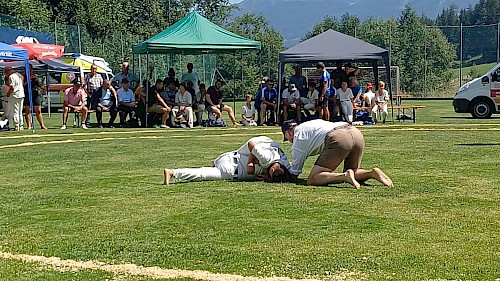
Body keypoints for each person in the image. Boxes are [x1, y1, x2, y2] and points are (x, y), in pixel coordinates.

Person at [282, 119, 393, 189]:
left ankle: (344, 176)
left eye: (286, 138)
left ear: (287, 133)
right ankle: (371, 173)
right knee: (354, 171)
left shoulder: (298, 138)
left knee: (313, 179)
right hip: (355, 132)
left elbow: (294, 173)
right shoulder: (309, 124)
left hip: (338, 137)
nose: (289, 141)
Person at [163, 136, 293, 185]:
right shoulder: (266, 159)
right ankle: (172, 172)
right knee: (202, 174)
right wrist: (251, 160)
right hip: (231, 170)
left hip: (230, 156)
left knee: (207, 170)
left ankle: (215, 162)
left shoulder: (284, 162)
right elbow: (251, 144)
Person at [23, 65, 47, 130]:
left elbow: (39, 85)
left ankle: (42, 125)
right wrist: (27, 80)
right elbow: (22, 85)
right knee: (28, 110)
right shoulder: (23, 76)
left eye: (30, 69)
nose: (29, 70)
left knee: (38, 110)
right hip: (27, 94)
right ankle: (29, 126)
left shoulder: (34, 76)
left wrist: (37, 80)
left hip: (35, 94)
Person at [4, 66, 25, 131]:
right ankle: (21, 125)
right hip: (21, 94)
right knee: (20, 111)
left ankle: (16, 126)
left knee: (15, 111)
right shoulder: (19, 75)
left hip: (14, 95)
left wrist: (8, 93)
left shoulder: (11, 77)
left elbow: (12, 88)